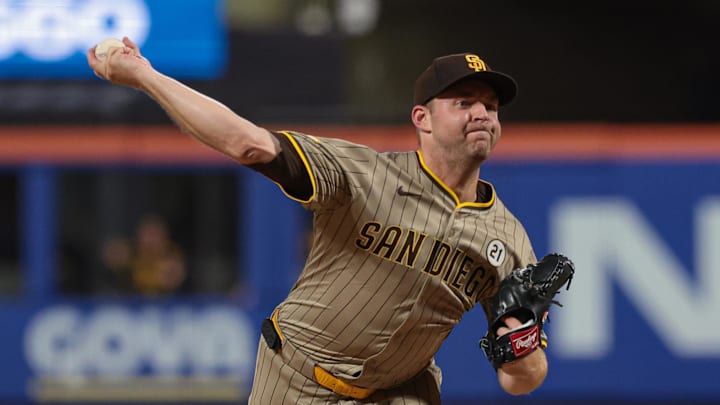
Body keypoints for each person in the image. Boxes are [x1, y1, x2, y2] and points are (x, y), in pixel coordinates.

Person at [88, 38, 546, 404]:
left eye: (491, 105)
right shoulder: (361, 174)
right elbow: (247, 144)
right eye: (464, 102)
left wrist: (521, 346)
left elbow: (521, 379)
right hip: (296, 380)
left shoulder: (508, 241)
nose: (482, 113)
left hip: (401, 392)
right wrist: (144, 76)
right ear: (422, 118)